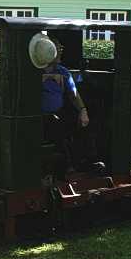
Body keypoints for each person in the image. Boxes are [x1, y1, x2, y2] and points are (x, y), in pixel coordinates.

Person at [30, 33, 91, 172]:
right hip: (36, 117)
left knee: (81, 124)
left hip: (58, 113)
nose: (60, 52)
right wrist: (48, 76)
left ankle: (81, 163)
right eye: (57, 49)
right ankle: (66, 165)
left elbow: (73, 94)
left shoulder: (63, 72)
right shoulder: (33, 71)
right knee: (55, 124)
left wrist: (83, 110)